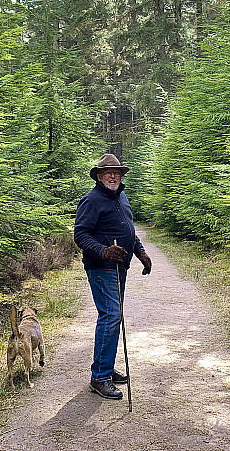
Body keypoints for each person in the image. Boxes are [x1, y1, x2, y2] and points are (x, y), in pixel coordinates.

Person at [74, 153, 152, 400]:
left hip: (121, 267)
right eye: (107, 172)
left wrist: (140, 251)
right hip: (101, 267)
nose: (112, 176)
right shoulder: (91, 200)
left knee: (113, 317)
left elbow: (128, 229)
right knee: (111, 315)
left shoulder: (121, 197)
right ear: (98, 175)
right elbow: (81, 235)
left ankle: (105, 368)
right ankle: (99, 378)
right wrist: (104, 251)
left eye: (116, 173)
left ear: (120, 176)